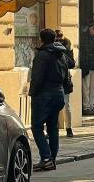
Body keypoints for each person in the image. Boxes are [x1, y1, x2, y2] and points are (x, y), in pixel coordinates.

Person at [28, 28, 71, 170]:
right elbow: (67, 76)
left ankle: (46, 157)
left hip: (43, 94)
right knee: (53, 127)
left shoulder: (42, 55)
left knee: (36, 127)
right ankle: (52, 159)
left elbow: (37, 77)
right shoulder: (61, 54)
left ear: (41, 39)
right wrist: (65, 89)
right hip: (58, 93)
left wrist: (32, 93)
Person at [79, 23, 94, 115]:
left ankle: (91, 106)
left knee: (93, 87)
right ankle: (86, 107)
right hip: (86, 65)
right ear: (90, 29)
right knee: (86, 87)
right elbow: (90, 49)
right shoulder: (85, 37)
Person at [55, 31, 77, 137]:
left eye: (60, 39)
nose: (59, 41)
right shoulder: (51, 49)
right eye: (57, 39)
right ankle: (55, 127)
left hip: (64, 81)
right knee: (55, 106)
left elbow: (72, 64)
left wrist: (65, 52)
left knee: (66, 105)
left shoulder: (67, 49)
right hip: (56, 81)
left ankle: (69, 128)